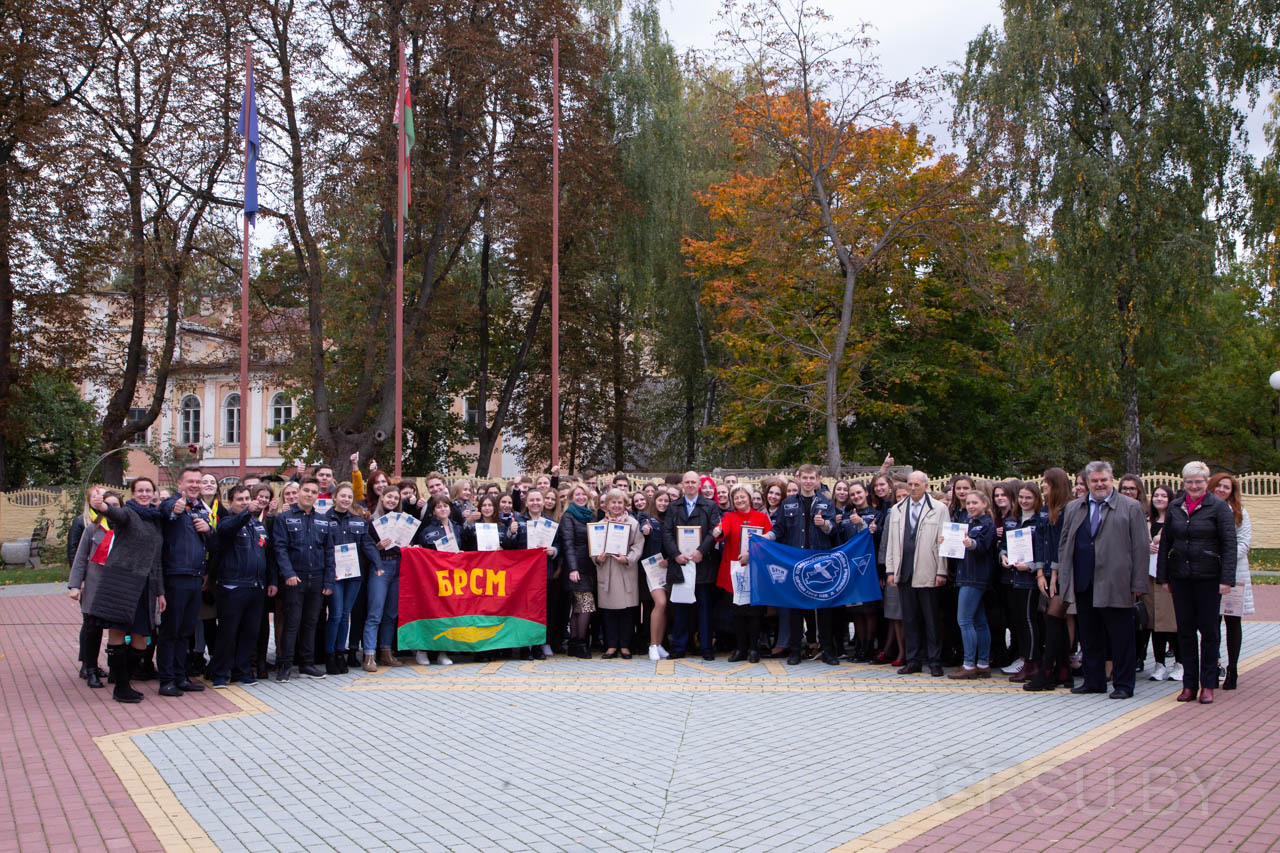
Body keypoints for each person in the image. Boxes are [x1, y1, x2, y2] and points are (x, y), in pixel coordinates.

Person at [1058, 461, 1151, 699]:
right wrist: (1066, 580)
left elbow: (1141, 549)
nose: (1099, 484)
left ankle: (1123, 684)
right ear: (1087, 483)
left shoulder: (1130, 508)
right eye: (1094, 481)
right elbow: (1065, 545)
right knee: (1089, 635)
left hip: (1117, 583)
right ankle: (1094, 680)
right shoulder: (1074, 508)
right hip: (1084, 581)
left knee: (1121, 637)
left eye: (1104, 480)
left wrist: (1138, 585)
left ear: (1112, 480)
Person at [1156, 462, 1236, 704]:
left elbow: (1229, 545)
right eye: (1189, 481)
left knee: (1209, 632)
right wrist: (1164, 577)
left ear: (1206, 482)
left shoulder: (1219, 508)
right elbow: (1166, 543)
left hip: (1209, 578)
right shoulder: (1175, 507)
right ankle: (1189, 684)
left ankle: (1208, 684)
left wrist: (1227, 579)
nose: (1194, 485)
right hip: (1180, 577)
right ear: (1183, 483)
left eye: (1199, 481)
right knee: (1186, 632)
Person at [76, 486, 165, 702]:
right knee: (117, 634)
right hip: (122, 583)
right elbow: (115, 513)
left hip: (145, 586)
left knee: (141, 640)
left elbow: (156, 560)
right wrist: (103, 506)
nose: (145, 494)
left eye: (148, 490)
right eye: (140, 490)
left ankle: (121, 677)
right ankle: (122, 688)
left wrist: (160, 592)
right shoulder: (128, 514)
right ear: (133, 494)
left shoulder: (155, 518)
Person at [768, 464, 840, 665]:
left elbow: (834, 529)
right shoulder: (788, 503)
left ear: (818, 480)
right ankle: (795, 650)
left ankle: (827, 650)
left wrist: (825, 525)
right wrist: (766, 537)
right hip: (796, 563)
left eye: (812, 478)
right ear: (798, 479)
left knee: (824, 608)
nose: (808, 481)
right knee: (795, 608)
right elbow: (779, 529)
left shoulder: (826, 503)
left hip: (820, 562)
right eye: (804, 478)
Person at [271, 476, 337, 682]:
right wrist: (288, 574)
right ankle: (285, 665)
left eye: (313, 492)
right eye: (306, 491)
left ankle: (307, 664)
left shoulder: (323, 520)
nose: (309, 495)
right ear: (298, 493)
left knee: (311, 623)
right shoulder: (285, 518)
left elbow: (329, 552)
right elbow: (279, 549)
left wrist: (328, 582)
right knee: (292, 623)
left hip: (317, 578)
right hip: (294, 579)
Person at [885, 471, 949, 677]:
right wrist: (891, 570)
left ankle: (934, 660)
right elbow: (892, 542)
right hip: (904, 571)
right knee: (909, 619)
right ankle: (913, 660)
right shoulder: (897, 509)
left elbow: (944, 542)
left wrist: (942, 570)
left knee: (931, 619)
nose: (913, 488)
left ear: (926, 486)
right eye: (910, 484)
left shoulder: (939, 509)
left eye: (917, 485)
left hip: (928, 569)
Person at [157, 467, 213, 697]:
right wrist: (175, 508)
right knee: (171, 630)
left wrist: (208, 530)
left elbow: (211, 543)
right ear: (179, 484)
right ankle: (166, 680)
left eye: (198, 482)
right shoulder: (172, 504)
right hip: (175, 577)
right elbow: (167, 510)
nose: (195, 485)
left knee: (186, 631)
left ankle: (181, 676)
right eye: (190, 481)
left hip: (195, 577)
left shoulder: (201, 509)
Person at [208, 485, 270, 688]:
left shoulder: (258, 525)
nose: (244, 502)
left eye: (246, 499)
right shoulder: (228, 522)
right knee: (228, 632)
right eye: (239, 500)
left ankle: (241, 671)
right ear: (230, 503)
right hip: (233, 586)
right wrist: (246, 513)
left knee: (249, 632)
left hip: (256, 586)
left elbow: (267, 554)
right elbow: (228, 529)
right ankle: (219, 673)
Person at [662, 471, 723, 660]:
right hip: (681, 564)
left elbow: (714, 532)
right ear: (682, 484)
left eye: (693, 482)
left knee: (704, 608)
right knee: (681, 607)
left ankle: (706, 648)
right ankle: (679, 647)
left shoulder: (710, 506)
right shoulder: (674, 507)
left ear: (699, 485)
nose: (689, 485)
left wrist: (701, 551)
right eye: (686, 482)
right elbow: (667, 533)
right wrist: (676, 554)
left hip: (703, 563)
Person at [1024, 467, 1073, 692]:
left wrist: (1053, 573)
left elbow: (1062, 546)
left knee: (1054, 617)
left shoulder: (1068, 510)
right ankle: (1063, 670)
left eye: (1046, 482)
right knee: (1054, 619)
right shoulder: (1045, 510)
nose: (1043, 485)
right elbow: (1041, 544)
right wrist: (1040, 572)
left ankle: (1047, 672)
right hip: (1048, 573)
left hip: (1064, 573)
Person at [68, 490, 123, 689]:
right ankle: (90, 668)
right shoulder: (92, 529)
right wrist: (75, 585)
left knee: (117, 630)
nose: (111, 508)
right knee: (93, 629)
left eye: (115, 505)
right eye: (107, 504)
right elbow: (81, 557)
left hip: (118, 588)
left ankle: (116, 668)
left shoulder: (127, 529)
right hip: (95, 586)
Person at [714, 484, 772, 662]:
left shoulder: (761, 517)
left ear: (749, 498)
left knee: (754, 612)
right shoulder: (729, 516)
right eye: (736, 498)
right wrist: (718, 531)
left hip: (755, 569)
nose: (740, 500)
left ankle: (754, 649)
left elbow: (769, 541)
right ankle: (740, 649)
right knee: (738, 612)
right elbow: (722, 531)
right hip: (735, 570)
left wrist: (751, 554)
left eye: (742, 497)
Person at [325, 483, 379, 674]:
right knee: (336, 615)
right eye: (343, 496)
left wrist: (377, 563)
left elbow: (368, 544)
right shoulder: (324, 520)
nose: (346, 499)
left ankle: (341, 652)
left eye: (349, 497)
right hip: (335, 576)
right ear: (334, 498)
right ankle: (330, 654)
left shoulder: (358, 521)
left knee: (346, 614)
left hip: (354, 575)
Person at [502, 487, 561, 659]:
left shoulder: (551, 523)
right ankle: (524, 648)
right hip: (523, 576)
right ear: (526, 503)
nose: (535, 503)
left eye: (538, 500)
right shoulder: (518, 521)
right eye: (532, 500)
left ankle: (537, 646)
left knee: (541, 611)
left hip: (544, 573)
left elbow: (560, 546)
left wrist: (554, 550)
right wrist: (510, 533)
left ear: (543, 502)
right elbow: (507, 547)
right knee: (523, 611)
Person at [946, 490, 997, 678]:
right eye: (968, 503)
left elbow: (982, 546)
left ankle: (969, 665)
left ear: (985, 504)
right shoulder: (968, 522)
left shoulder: (986, 524)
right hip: (966, 575)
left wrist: (970, 544)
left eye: (975, 503)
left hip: (974, 578)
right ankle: (982, 663)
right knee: (979, 621)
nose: (971, 506)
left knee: (965, 621)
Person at [999, 483, 1046, 683]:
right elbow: (1003, 546)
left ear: (1036, 499)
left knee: (1028, 620)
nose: (1024, 501)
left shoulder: (1041, 521)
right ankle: (1025, 659)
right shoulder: (1012, 520)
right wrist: (1003, 556)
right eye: (1022, 497)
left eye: (1029, 498)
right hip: (1012, 578)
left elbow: (1045, 550)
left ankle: (1032, 662)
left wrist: (1033, 566)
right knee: (1017, 621)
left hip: (1029, 579)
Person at [1210, 472, 1251, 691]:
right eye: (1219, 486)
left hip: (1235, 573)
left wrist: (1224, 557)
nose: (1222, 490)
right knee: (1211, 622)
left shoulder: (1240, 513)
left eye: (1226, 487)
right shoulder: (1205, 509)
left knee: (1233, 622)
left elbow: (1244, 543)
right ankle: (1214, 664)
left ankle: (1233, 668)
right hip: (1209, 573)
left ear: (1232, 491)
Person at [594, 489, 644, 659]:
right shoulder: (599, 525)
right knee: (609, 612)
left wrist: (628, 558)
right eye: (613, 502)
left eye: (619, 502)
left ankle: (625, 646)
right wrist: (597, 558)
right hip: (607, 571)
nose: (616, 505)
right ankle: (611, 645)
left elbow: (638, 546)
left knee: (626, 612)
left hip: (625, 570)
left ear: (625, 504)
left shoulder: (633, 523)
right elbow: (594, 548)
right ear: (607, 505)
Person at [364, 488, 406, 671]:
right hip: (380, 566)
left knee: (391, 614)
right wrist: (377, 546)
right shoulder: (372, 521)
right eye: (389, 497)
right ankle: (369, 655)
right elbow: (366, 546)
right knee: (375, 612)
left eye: (396, 498)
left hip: (398, 566)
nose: (392, 500)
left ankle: (386, 652)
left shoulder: (403, 521)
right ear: (382, 497)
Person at [1145, 485, 1182, 684]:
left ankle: (1180, 663)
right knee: (1155, 625)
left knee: (1171, 624)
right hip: (1150, 578)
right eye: (1156, 495)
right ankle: (1159, 664)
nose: (1159, 498)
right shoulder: (1146, 521)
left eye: (1163, 495)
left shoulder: (1176, 520)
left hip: (1169, 578)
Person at [560, 484, 599, 658]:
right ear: (571, 497)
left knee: (579, 606)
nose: (581, 497)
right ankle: (581, 642)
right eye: (577, 495)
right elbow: (568, 543)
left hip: (590, 566)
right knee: (585, 604)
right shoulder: (568, 516)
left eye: (583, 494)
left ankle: (575, 642)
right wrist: (573, 568)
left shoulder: (591, 515)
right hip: (575, 567)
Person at [634, 489, 670, 660]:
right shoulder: (645, 517)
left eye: (666, 501)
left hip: (669, 567)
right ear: (654, 501)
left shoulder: (670, 519)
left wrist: (671, 559)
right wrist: (645, 529)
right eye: (660, 500)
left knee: (665, 607)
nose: (663, 504)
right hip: (652, 568)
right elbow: (643, 527)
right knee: (660, 603)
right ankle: (653, 645)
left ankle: (660, 644)